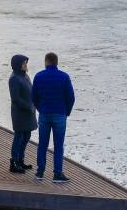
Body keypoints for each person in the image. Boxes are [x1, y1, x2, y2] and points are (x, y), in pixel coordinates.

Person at [32, 52, 75, 183]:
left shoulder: (38, 76)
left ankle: (40, 172)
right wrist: (66, 112)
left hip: (44, 114)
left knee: (42, 144)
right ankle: (57, 174)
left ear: (46, 62)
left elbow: (33, 97)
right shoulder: (64, 77)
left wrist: (40, 109)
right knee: (58, 145)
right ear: (56, 62)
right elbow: (71, 97)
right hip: (60, 114)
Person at [9, 54, 36, 174]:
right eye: (24, 63)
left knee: (26, 136)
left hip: (29, 112)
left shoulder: (25, 76)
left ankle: (20, 160)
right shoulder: (14, 78)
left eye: (26, 62)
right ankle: (14, 162)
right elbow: (15, 98)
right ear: (18, 65)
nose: (26, 65)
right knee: (19, 136)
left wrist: (34, 104)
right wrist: (28, 107)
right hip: (20, 113)